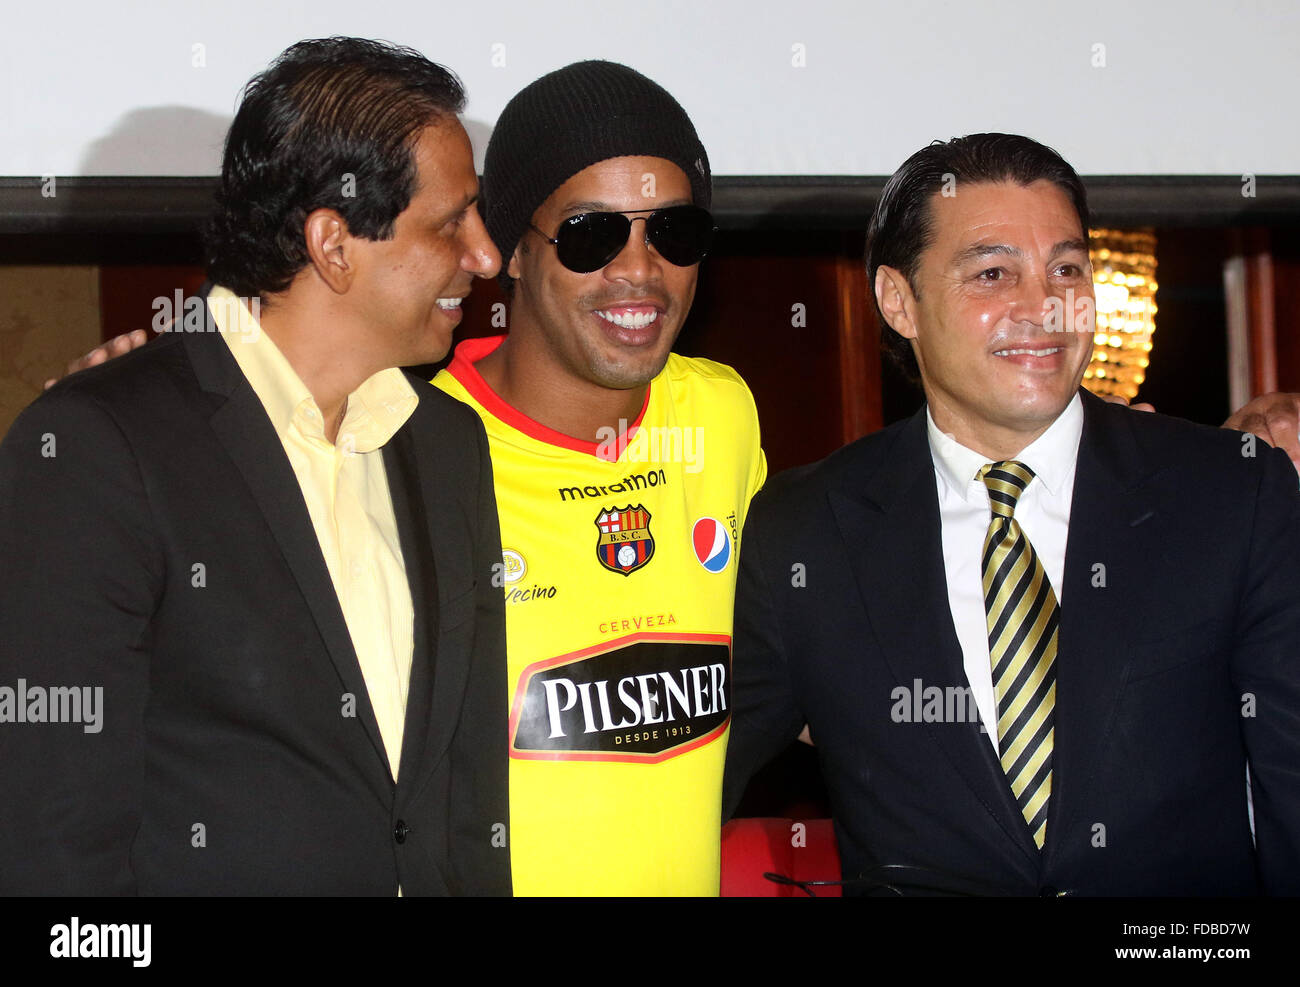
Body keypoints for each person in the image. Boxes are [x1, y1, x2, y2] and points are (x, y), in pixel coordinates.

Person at [722, 133, 1300, 895]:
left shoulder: (1233, 492)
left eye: (1066, 268)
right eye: (994, 273)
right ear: (899, 301)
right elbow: (681, 781)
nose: (1046, 306)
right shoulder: (805, 529)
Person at [0, 38, 510, 895]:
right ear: (333, 244)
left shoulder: (447, 441)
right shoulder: (100, 446)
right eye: (451, 222)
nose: (487, 256)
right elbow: (54, 842)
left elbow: (459, 805)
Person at [431, 61, 766, 895]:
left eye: (674, 233)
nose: (640, 272)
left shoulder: (720, 415)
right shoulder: (411, 448)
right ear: (508, 249)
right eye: (591, 234)